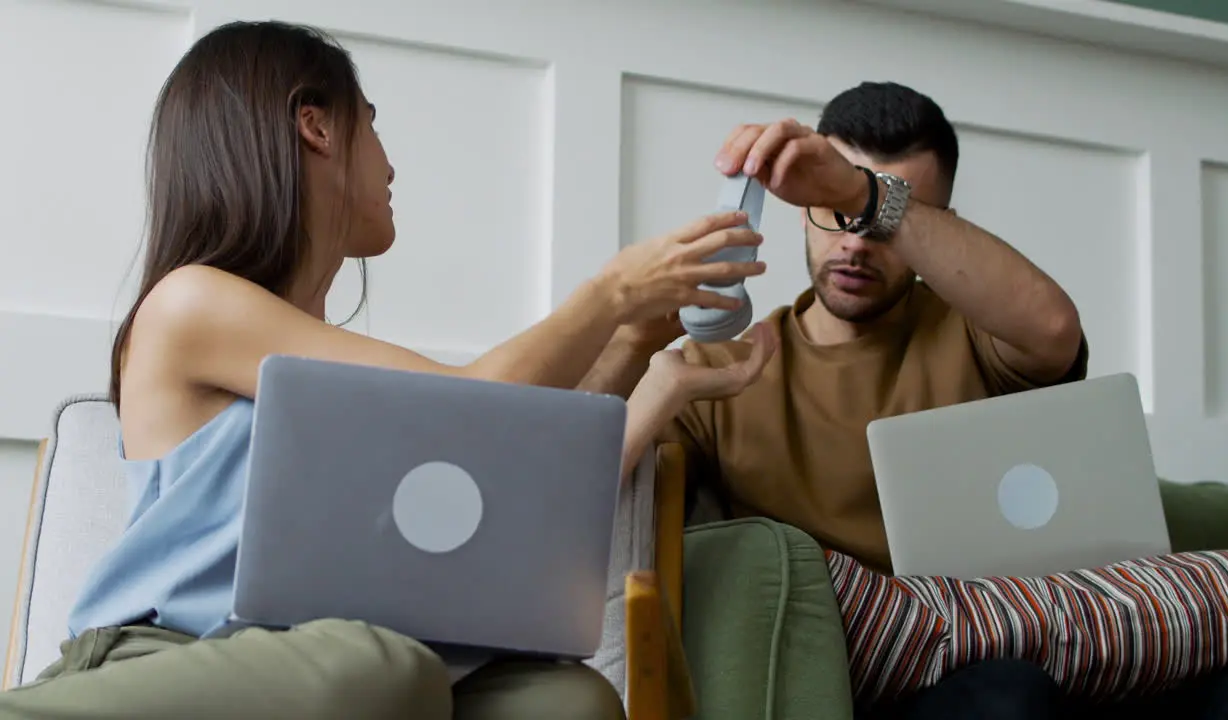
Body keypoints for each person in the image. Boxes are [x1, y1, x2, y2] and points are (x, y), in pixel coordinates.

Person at [0, 20, 781, 720]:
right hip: (161, 657)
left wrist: (640, 343)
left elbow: (507, 461)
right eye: (371, 126)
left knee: (567, 700)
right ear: (316, 126)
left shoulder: (317, 355)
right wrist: (612, 291)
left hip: (316, 657)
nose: (390, 162)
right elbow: (474, 403)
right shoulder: (189, 304)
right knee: (380, 668)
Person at [579, 81, 1228, 719]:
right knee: (1008, 691)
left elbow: (1053, 328)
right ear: (798, 212)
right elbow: (579, 485)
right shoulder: (723, 370)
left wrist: (864, 194)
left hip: (1069, 642)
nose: (856, 244)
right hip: (893, 678)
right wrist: (632, 342)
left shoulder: (975, 332)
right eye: (832, 211)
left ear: (926, 223)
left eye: (878, 221)